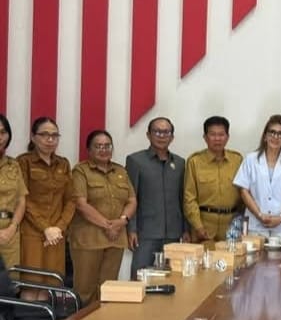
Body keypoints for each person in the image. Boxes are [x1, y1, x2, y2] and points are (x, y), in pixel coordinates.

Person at [70, 130, 137, 306]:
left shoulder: (121, 171)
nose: (103, 150)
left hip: (116, 239)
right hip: (89, 240)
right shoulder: (80, 171)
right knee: (85, 290)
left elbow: (132, 200)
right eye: (98, 146)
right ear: (89, 149)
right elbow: (81, 204)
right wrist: (108, 226)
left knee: (108, 289)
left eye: (107, 146)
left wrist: (122, 221)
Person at [17, 117, 75, 300]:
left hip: (56, 235)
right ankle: (29, 319)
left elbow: (71, 199)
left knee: (49, 285)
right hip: (32, 233)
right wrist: (45, 228)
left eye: (55, 136)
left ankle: (44, 319)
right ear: (33, 137)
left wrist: (59, 227)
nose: (50, 140)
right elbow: (23, 199)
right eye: (44, 135)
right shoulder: (23, 162)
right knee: (31, 285)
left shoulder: (63, 164)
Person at [125, 117, 188, 278]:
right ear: (148, 135)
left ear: (172, 137)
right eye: (157, 132)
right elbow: (130, 197)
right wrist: (131, 229)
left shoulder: (180, 163)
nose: (162, 136)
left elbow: (183, 198)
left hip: (173, 233)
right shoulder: (135, 161)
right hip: (145, 233)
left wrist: (186, 230)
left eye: (166, 132)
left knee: (171, 278)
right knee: (140, 278)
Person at [233, 114, 281, 239]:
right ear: (265, 136)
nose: (276, 137)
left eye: (280, 134)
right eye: (272, 132)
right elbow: (244, 191)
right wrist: (259, 215)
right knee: (255, 252)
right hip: (255, 224)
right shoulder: (250, 159)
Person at [184, 116, 243, 246]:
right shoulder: (195, 162)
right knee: (205, 259)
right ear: (205, 137)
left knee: (231, 258)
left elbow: (243, 194)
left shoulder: (237, 160)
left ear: (227, 137)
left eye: (221, 134)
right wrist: (198, 226)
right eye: (213, 134)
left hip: (231, 226)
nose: (217, 139)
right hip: (204, 225)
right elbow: (189, 198)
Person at [0, 114, 28, 268]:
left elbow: (21, 201)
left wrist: (12, 227)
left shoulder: (14, 165)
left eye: (3, 132)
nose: (0, 137)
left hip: (9, 233)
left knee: (10, 279)